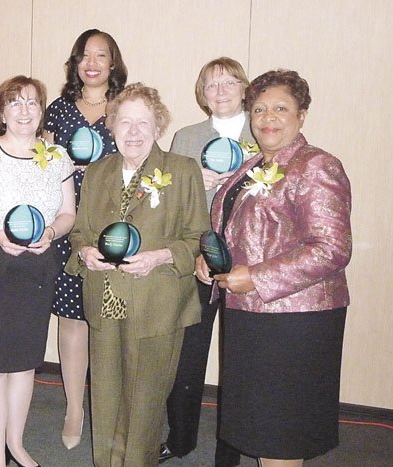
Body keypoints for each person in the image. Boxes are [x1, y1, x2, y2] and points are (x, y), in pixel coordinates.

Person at [196, 69, 351, 467]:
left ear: (302, 115)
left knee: (281, 433)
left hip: (296, 322)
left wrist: (257, 277)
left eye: (281, 108)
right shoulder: (249, 166)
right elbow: (233, 229)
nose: (268, 117)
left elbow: (332, 248)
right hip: (252, 316)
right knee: (262, 427)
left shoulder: (315, 165)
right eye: (260, 108)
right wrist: (211, 258)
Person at [65, 83, 209, 466]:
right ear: (111, 126)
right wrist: (85, 253)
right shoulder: (98, 172)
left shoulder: (181, 170)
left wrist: (159, 256)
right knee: (107, 397)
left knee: (144, 404)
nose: (133, 132)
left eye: (142, 122)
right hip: (105, 300)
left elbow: (198, 237)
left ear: (157, 126)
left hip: (157, 304)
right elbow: (79, 231)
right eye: (124, 122)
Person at [0, 76, 76, 467]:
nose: (24, 110)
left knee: (24, 365)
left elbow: (68, 214)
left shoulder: (57, 157)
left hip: (35, 270)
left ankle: (16, 444)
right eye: (16, 103)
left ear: (42, 111)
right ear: (1, 111)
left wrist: (53, 233)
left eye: (32, 103)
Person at [160, 57, 253, 466]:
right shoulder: (186, 137)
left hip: (249, 267)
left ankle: (229, 453)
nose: (221, 91)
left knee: (240, 361)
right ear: (202, 92)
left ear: (244, 87)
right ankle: (180, 439)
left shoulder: (264, 130)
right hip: (199, 259)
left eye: (229, 82)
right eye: (211, 84)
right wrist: (192, 184)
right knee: (186, 357)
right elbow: (165, 203)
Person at [42, 28, 127, 450]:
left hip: (114, 228)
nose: (92, 63)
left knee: (109, 323)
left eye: (101, 55)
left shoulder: (127, 108)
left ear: (114, 63)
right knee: (74, 321)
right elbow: (42, 167)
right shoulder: (57, 110)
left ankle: (108, 407)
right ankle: (75, 406)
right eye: (84, 55)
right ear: (75, 63)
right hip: (68, 226)